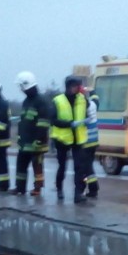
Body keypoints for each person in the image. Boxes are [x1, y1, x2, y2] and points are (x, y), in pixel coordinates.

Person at [50, 75, 89, 203]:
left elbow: (89, 110)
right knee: (62, 166)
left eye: (78, 86)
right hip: (62, 138)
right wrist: (69, 123)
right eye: (74, 86)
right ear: (68, 87)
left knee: (79, 167)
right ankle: (59, 188)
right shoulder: (57, 100)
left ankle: (78, 194)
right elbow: (53, 120)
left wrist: (87, 120)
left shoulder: (82, 99)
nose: (77, 89)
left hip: (78, 138)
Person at [13, 71, 51, 196]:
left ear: (26, 85)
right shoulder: (26, 102)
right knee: (21, 165)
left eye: (21, 87)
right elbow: (23, 122)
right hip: (25, 141)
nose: (21, 90)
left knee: (37, 166)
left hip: (36, 142)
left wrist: (39, 139)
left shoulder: (40, 101)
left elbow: (43, 123)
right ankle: (20, 188)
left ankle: (38, 188)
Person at [81, 88, 100, 198]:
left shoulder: (82, 107)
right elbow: (96, 99)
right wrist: (92, 91)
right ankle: (92, 188)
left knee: (86, 167)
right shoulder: (93, 104)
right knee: (88, 166)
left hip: (86, 141)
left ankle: (92, 188)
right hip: (94, 141)